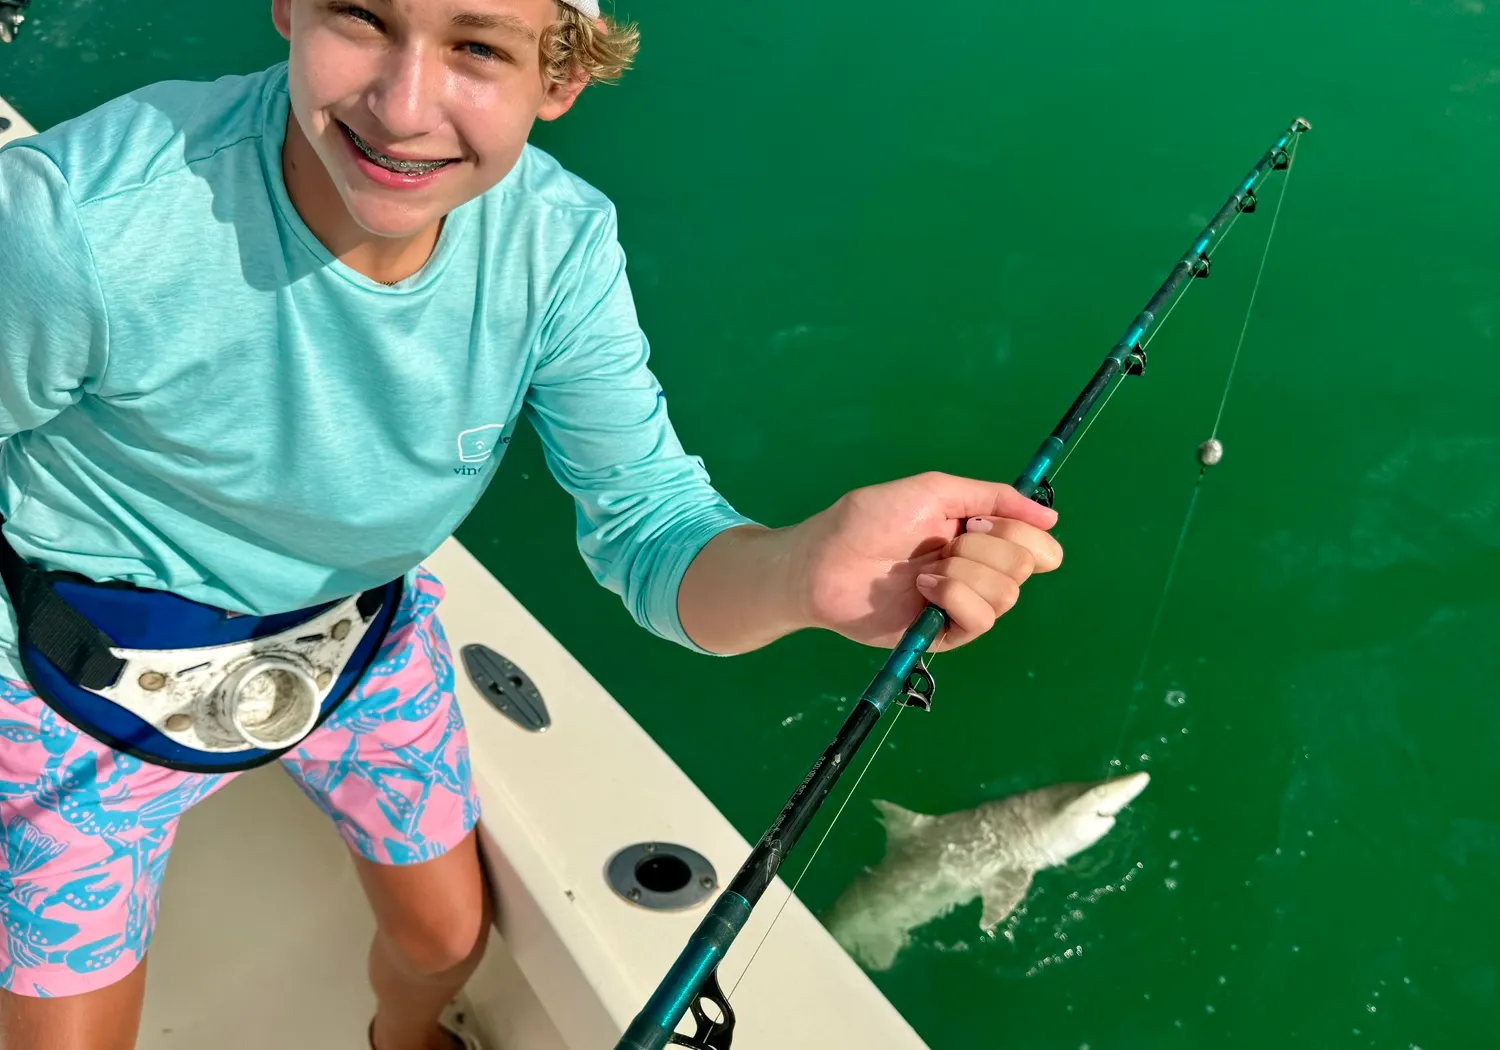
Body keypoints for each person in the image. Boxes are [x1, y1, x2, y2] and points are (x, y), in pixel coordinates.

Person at [0, 1, 1064, 1048]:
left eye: (477, 45)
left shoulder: (555, 248)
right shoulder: (79, 222)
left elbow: (650, 527)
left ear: (559, 77)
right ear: (288, 8)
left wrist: (801, 574)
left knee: (446, 940)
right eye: (360, 17)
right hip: (68, 663)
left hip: (354, 637)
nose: (404, 105)